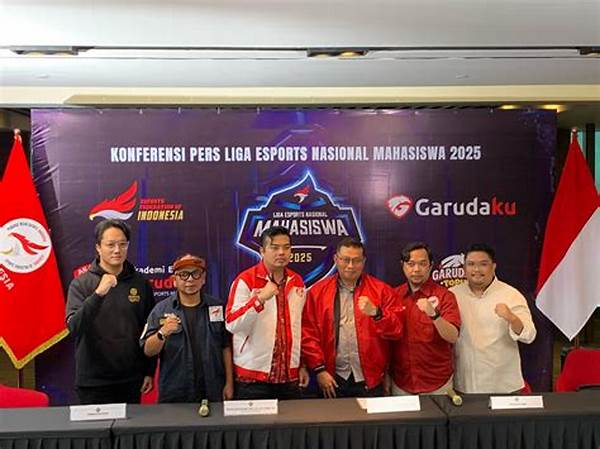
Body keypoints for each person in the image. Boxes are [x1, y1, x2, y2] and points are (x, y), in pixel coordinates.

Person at [66, 219, 155, 404]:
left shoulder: (140, 283)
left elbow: (149, 329)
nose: (117, 250)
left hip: (131, 380)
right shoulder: (81, 284)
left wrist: (149, 370)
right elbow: (74, 327)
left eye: (122, 244)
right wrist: (98, 294)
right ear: (98, 247)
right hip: (93, 383)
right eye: (110, 245)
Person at [302, 238, 404, 398]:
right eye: (345, 260)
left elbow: (397, 331)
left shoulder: (382, 291)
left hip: (370, 378)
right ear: (336, 259)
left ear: (363, 262)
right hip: (332, 378)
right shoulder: (317, 292)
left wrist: (378, 314)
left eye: (356, 261)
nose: (350, 266)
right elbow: (308, 334)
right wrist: (319, 369)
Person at [226, 226, 309, 400]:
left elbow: (300, 327)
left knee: (292, 419)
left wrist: (301, 364)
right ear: (262, 251)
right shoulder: (246, 280)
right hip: (253, 378)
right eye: (275, 247)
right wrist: (259, 299)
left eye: (286, 247)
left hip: (289, 377)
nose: (281, 252)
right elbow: (232, 324)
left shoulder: (297, 281)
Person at [141, 254, 234, 402]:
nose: (190, 279)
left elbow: (226, 346)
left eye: (195, 273)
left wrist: (229, 383)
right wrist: (162, 333)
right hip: (175, 392)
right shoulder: (160, 310)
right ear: (174, 280)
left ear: (203, 278)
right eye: (184, 274)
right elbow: (148, 350)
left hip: (213, 389)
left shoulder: (218, 307)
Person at [450, 243, 536, 393]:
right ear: (464, 268)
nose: (476, 270)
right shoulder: (452, 294)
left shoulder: (510, 294)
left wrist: (512, 318)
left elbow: (529, 335)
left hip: (503, 386)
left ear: (493, 266)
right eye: (471, 264)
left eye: (483, 264)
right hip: (464, 384)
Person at [390, 242, 461, 395]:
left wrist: (434, 315)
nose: (416, 269)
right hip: (401, 383)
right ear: (403, 266)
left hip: (437, 383)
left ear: (430, 266)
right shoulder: (393, 296)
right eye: (411, 264)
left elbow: (453, 336)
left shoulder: (445, 296)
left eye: (422, 264)